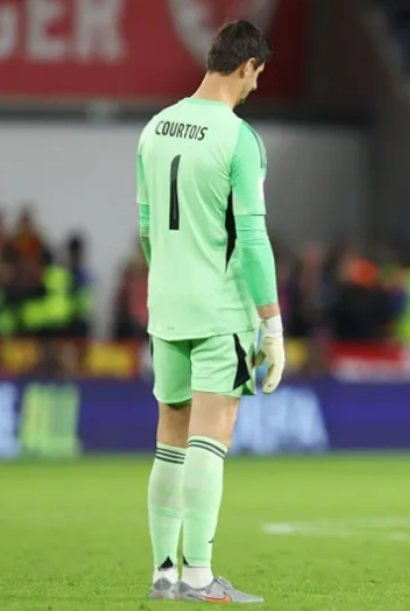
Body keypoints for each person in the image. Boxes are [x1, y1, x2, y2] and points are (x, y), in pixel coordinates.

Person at [136, 20, 285, 604]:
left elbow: (148, 231)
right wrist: (271, 323)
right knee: (211, 437)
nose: (255, 87)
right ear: (246, 66)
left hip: (165, 304)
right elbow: (251, 240)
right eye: (257, 76)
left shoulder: (154, 128)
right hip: (218, 309)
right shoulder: (237, 138)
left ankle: (164, 576)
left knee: (169, 438)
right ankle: (199, 577)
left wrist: (170, 280)